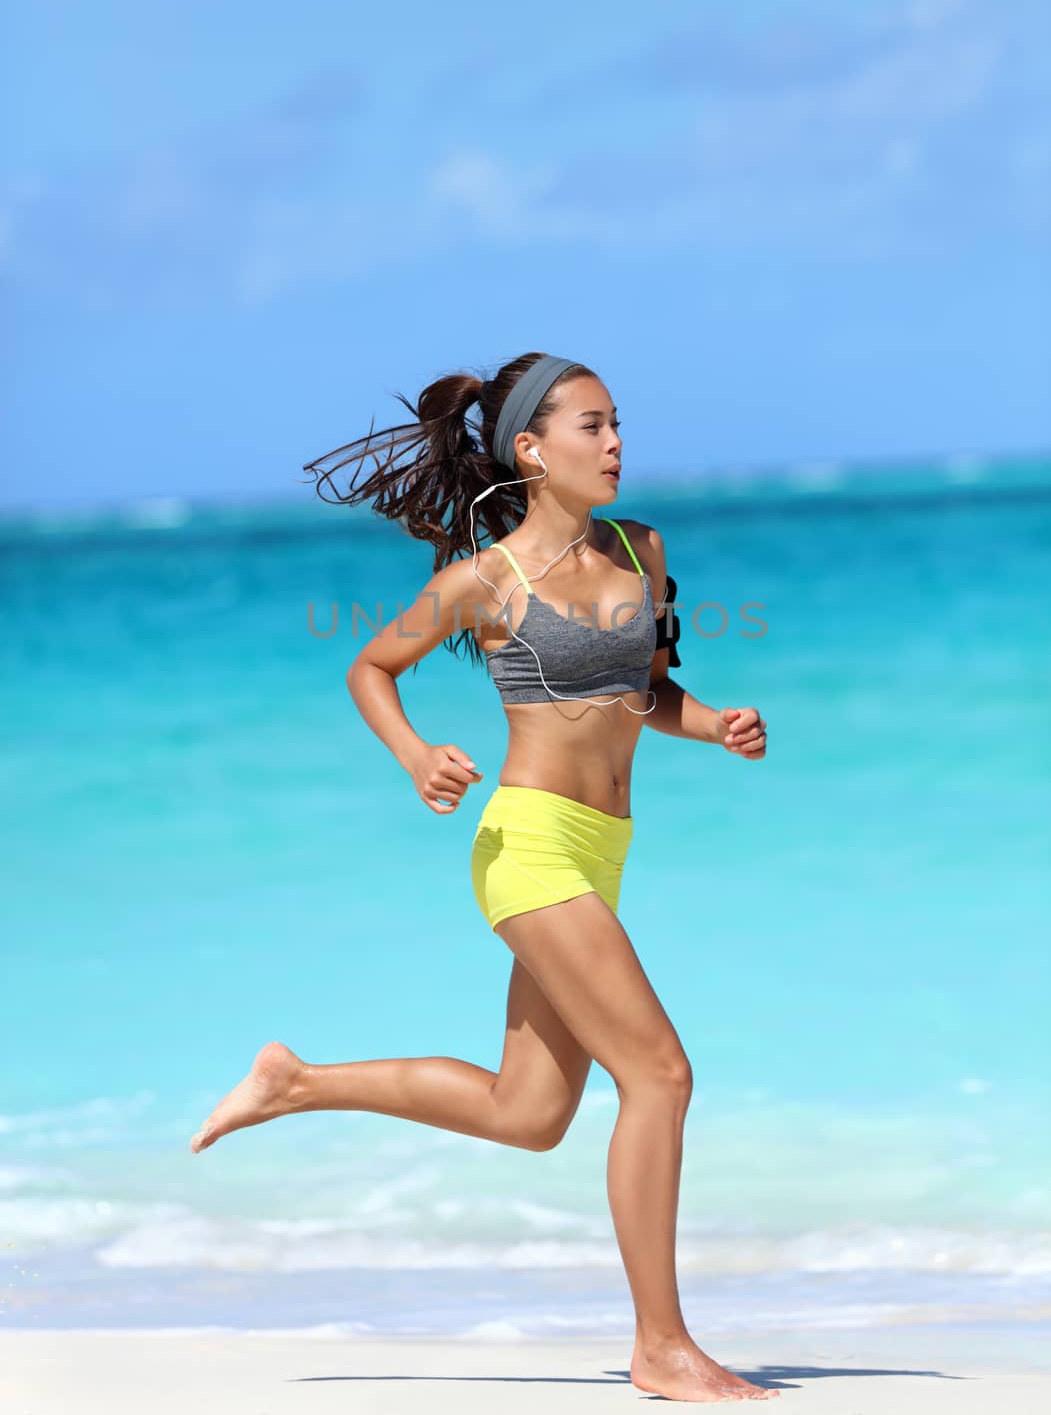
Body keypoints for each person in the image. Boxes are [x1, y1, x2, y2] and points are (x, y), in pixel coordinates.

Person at [189, 352, 773, 1403]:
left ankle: (297, 1081)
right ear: (531, 450)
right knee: (659, 1075)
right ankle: (660, 1345)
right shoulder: (483, 581)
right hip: (527, 848)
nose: (615, 443)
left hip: (602, 850)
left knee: (528, 1113)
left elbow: (646, 691)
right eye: (591, 427)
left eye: (616, 424)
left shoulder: (641, 548)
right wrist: (417, 757)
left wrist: (717, 725)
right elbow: (370, 667)